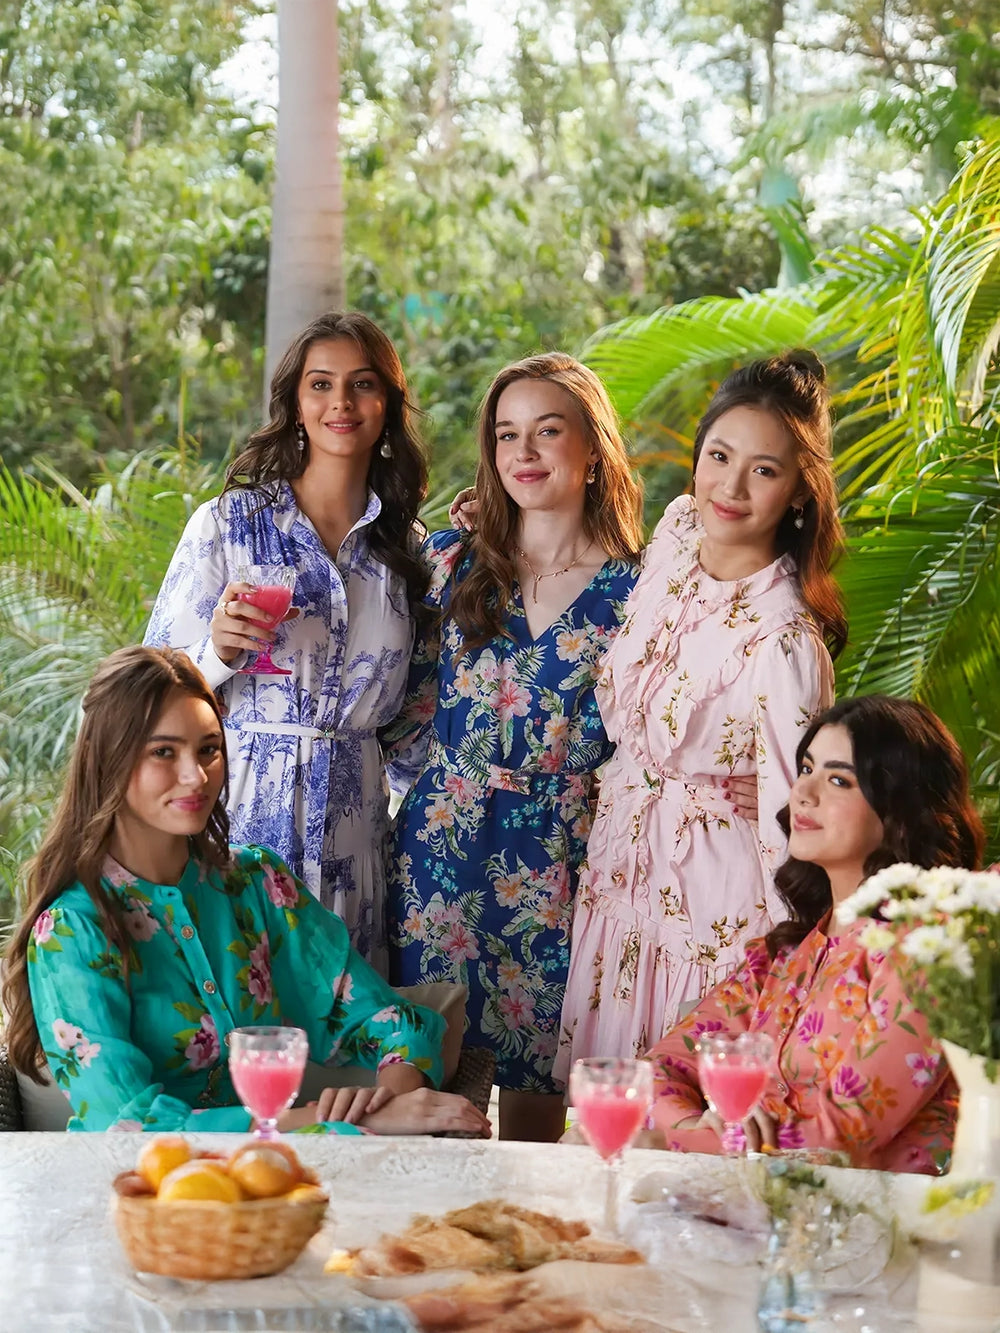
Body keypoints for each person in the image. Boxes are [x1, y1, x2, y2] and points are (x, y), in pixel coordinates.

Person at [1, 646, 491, 1137]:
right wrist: (334, 1124)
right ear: (108, 759)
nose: (196, 776)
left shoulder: (257, 885)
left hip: (277, 1176)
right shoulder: (73, 930)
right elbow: (127, 1126)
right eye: (163, 752)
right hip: (147, 1192)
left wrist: (391, 1100)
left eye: (209, 748)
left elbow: (393, 1021)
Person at [554, 352, 847, 1082]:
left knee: (681, 1125)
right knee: (601, 1115)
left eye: (765, 471)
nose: (732, 487)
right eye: (719, 456)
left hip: (712, 908)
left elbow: (796, 826)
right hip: (620, 879)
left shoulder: (784, 640)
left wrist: (799, 979)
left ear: (799, 495)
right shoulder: (679, 533)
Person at [383, 353, 645, 1143]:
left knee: (538, 1101)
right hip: (438, 848)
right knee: (420, 1081)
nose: (524, 452)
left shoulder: (640, 591)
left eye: (547, 431)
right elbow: (405, 706)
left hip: (560, 857)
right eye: (507, 435)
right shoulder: (452, 561)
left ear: (593, 449)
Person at [144, 312, 429, 971]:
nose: (342, 403)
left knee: (342, 1041)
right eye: (321, 384)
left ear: (386, 403)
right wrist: (215, 649)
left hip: (356, 844)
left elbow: (416, 725)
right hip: (239, 825)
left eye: (362, 384)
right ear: (296, 404)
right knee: (242, 1027)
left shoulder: (407, 552)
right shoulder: (229, 525)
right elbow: (147, 682)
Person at [644, 694, 985, 1174]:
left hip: (882, 1225)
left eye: (839, 779)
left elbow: (841, 1136)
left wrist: (680, 1140)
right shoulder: (786, 956)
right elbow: (658, 1069)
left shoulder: (928, 953)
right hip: (764, 1205)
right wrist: (689, 1129)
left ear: (899, 813)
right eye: (806, 768)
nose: (804, 791)